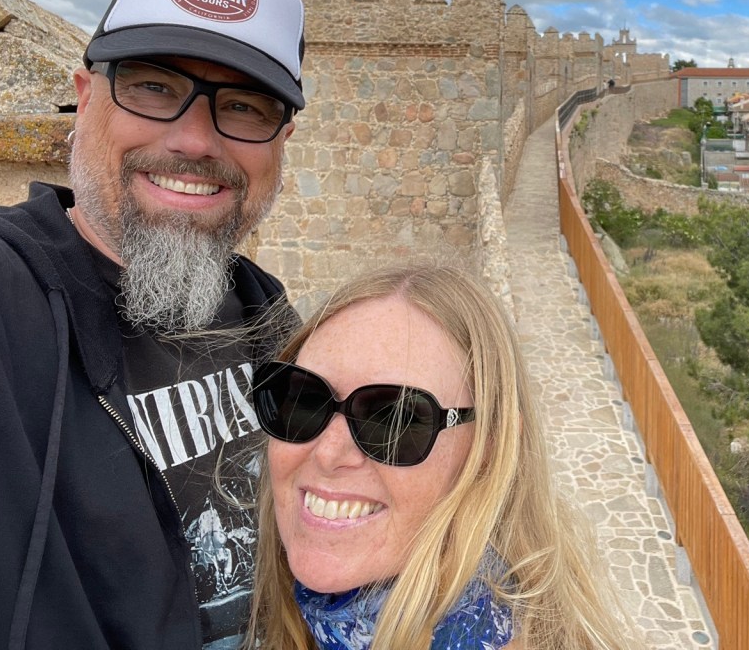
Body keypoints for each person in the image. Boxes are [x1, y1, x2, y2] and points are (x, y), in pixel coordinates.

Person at [0, 0, 306, 649]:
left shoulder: (268, 314)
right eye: (154, 85)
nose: (194, 139)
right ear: (86, 98)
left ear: (281, 143)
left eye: (243, 106)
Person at [245, 264, 640, 650]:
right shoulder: (309, 621)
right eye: (303, 400)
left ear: (491, 449)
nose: (329, 452)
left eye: (394, 421)